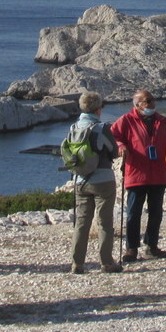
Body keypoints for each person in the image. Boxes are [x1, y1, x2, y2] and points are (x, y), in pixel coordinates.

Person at [110, 90, 166, 263]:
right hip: (137, 172)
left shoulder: (163, 121)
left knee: (156, 212)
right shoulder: (126, 120)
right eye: (148, 101)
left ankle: (151, 246)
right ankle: (131, 248)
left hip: (158, 173)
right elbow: (113, 136)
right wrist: (122, 146)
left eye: (152, 100)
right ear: (137, 105)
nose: (153, 103)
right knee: (133, 212)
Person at [68, 92, 123, 274]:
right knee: (104, 223)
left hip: (80, 180)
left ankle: (77, 263)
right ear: (98, 108)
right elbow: (114, 151)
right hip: (103, 179)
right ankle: (106, 262)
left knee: (81, 223)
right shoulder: (101, 128)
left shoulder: (74, 127)